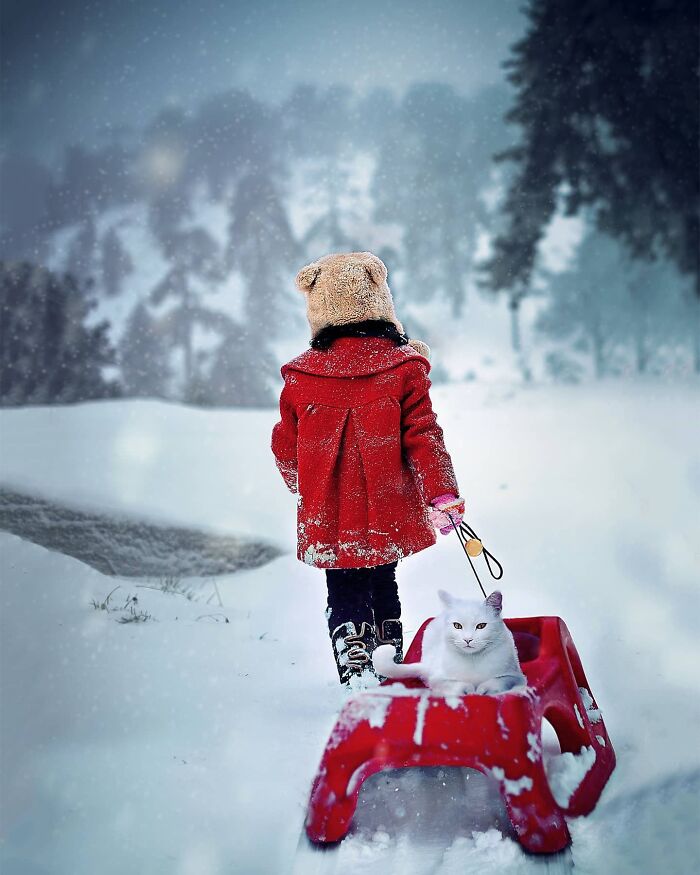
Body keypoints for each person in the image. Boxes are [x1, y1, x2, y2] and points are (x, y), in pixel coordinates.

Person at [271, 251, 465, 689]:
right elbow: (424, 436)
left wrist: (306, 484)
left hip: (329, 509)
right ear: (379, 301)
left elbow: (285, 445)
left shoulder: (301, 376)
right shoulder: (403, 368)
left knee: (344, 584)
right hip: (385, 504)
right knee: (382, 578)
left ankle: (355, 662)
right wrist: (441, 494)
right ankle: (387, 656)